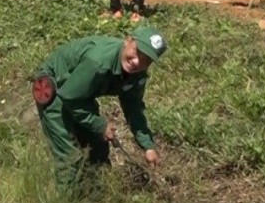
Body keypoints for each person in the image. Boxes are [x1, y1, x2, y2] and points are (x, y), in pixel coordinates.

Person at [33, 26, 167, 188]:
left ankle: (97, 199)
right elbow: (70, 97)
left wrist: (148, 146)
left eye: (146, 60)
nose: (137, 62)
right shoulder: (98, 62)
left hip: (81, 93)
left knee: (98, 149)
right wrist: (100, 125)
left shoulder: (136, 73)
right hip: (58, 89)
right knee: (69, 158)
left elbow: (134, 108)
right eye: (137, 52)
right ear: (128, 40)